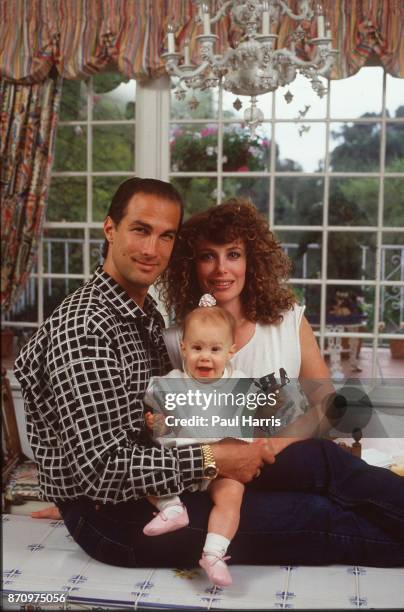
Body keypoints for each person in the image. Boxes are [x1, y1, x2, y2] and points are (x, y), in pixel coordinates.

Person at [23, 188, 404, 568]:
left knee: (322, 458)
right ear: (110, 229)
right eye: (140, 230)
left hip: (164, 482)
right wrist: (214, 458)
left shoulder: (144, 316)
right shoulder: (86, 327)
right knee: (318, 515)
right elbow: (102, 471)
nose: (152, 248)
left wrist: (231, 450)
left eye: (166, 235)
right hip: (119, 514)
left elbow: (170, 417)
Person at [144, 304, 267, 586]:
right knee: (146, 473)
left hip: (220, 468)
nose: (205, 357)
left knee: (232, 495)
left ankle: (213, 553)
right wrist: (156, 423)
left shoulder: (239, 384)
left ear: (230, 352)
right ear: (184, 348)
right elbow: (164, 422)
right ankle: (172, 508)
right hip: (181, 466)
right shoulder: (172, 382)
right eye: (197, 348)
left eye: (215, 350)